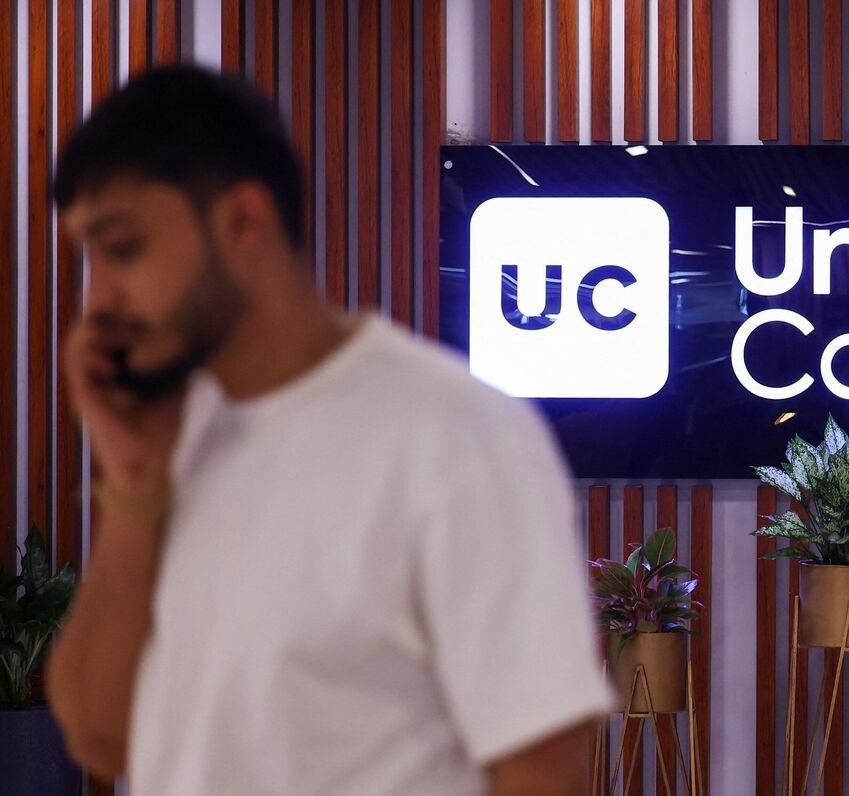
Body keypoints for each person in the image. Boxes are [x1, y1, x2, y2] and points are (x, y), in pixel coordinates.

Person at [44, 65, 613, 796]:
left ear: (244, 223)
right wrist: (134, 484)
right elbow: (99, 736)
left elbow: (543, 775)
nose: (99, 300)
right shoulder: (175, 437)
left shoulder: (459, 438)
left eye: (123, 250)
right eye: (88, 259)